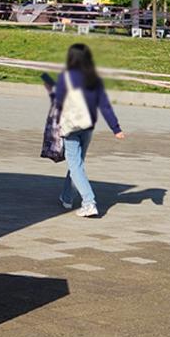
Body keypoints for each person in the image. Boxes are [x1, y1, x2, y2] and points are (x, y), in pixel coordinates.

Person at [51, 43, 126, 217]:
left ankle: (89, 201)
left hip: (71, 127)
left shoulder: (65, 77)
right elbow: (105, 105)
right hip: (88, 127)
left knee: (75, 165)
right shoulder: (94, 79)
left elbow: (59, 102)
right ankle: (67, 197)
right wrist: (116, 128)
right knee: (76, 164)